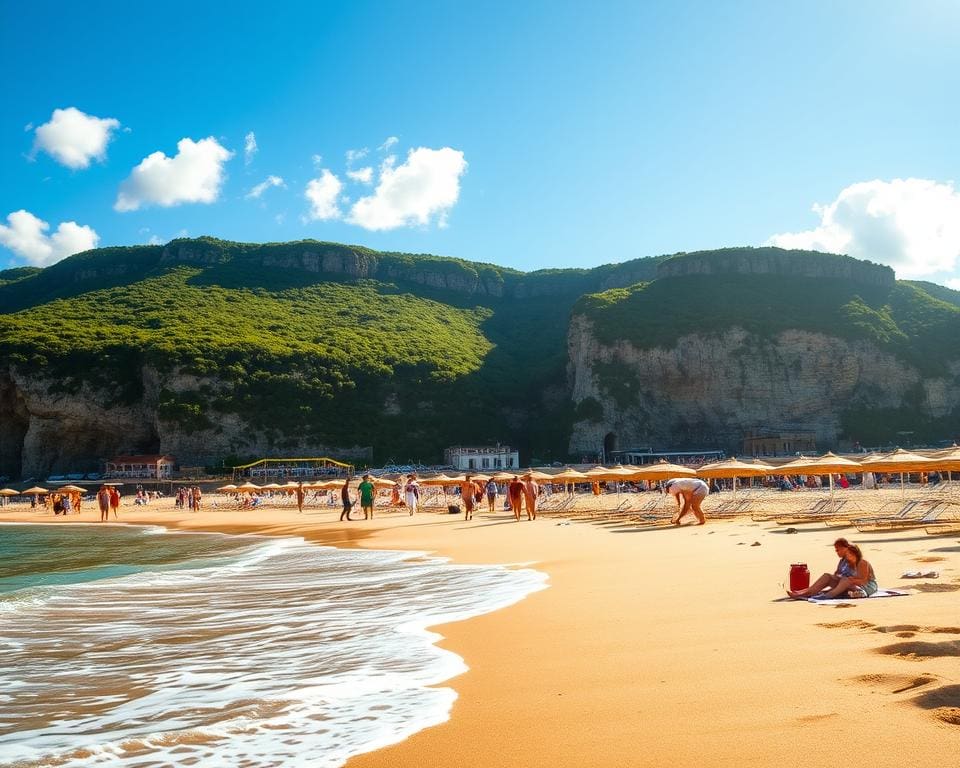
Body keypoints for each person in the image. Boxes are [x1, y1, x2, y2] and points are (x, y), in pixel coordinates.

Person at [790, 541, 877, 599]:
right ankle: (805, 592)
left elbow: (863, 581)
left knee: (845, 580)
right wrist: (838, 578)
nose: (848, 556)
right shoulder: (844, 562)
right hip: (846, 583)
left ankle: (828, 595)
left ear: (856, 554)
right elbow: (836, 574)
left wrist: (849, 580)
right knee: (827, 576)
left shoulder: (862, 563)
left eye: (850, 554)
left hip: (865, 587)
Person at [787, 538, 855, 598]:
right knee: (826, 578)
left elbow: (850, 575)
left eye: (838, 550)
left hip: (850, 585)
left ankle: (803, 593)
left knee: (827, 577)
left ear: (844, 548)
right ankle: (803, 592)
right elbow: (837, 573)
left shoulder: (852, 558)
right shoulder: (842, 560)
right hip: (842, 583)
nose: (836, 552)